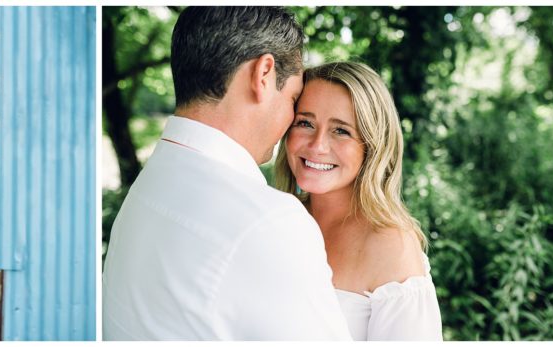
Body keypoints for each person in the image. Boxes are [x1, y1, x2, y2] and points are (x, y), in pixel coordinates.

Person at [103, 7, 351, 340]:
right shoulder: (271, 221)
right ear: (263, 75)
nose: (292, 120)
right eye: (293, 98)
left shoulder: (149, 185)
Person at [273, 61, 443, 340]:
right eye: (305, 123)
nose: (317, 146)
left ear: (372, 147)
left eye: (341, 130)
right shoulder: (276, 221)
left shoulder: (390, 245)